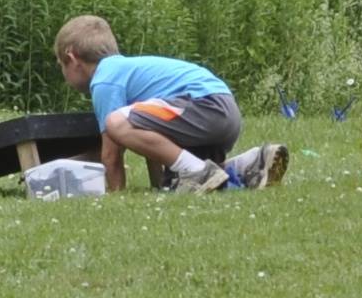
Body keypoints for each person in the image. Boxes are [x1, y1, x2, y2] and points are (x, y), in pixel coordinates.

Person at [53, 15, 287, 195]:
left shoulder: (105, 79)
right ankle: (249, 164)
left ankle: (197, 172)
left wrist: (116, 196)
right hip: (224, 112)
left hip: (203, 106)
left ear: (72, 59)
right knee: (175, 182)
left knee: (115, 123)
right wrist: (159, 186)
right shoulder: (128, 70)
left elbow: (111, 155)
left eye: (60, 66)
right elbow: (151, 140)